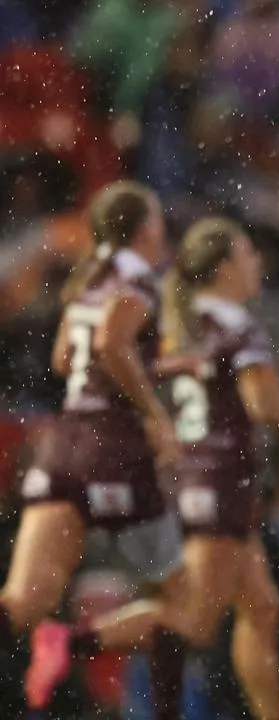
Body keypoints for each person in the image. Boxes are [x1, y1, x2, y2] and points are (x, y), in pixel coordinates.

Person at [27, 217, 279, 719]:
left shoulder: (171, 322)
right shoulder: (235, 323)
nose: (256, 262)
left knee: (263, 607)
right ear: (223, 269)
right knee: (192, 620)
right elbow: (262, 404)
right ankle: (72, 640)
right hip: (219, 477)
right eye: (246, 254)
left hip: (193, 474)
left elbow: (124, 368)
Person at [3, 181, 185, 713]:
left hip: (64, 443)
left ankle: (59, 642)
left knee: (23, 603)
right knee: (183, 607)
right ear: (145, 228)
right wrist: (156, 415)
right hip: (116, 446)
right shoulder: (139, 279)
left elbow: (66, 360)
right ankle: (81, 648)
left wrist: (153, 366)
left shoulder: (85, 280)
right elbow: (111, 343)